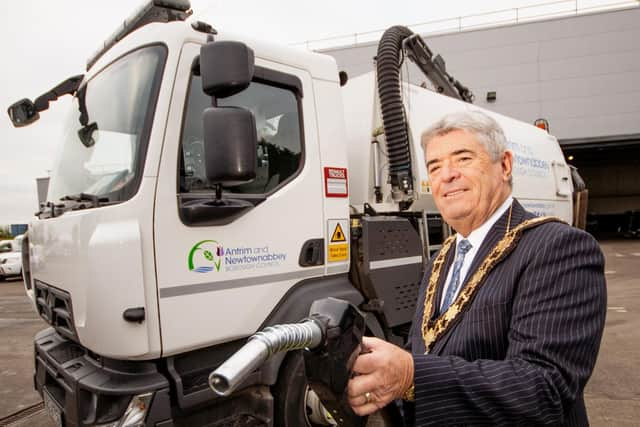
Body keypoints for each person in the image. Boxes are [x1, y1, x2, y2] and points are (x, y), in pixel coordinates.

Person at [347, 110, 606, 426]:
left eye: (463, 158)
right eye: (435, 166)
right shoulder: (444, 256)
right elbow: (430, 349)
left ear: (505, 165)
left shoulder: (558, 247)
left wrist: (410, 375)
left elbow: (544, 389)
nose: (447, 174)